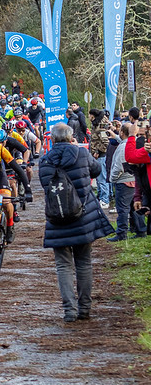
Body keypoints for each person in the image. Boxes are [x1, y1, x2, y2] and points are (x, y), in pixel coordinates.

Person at [39, 123, 113, 322]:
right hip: (83, 217)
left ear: (52, 140)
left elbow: (45, 184)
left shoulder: (45, 160)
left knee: (63, 265)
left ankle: (69, 311)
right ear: (71, 138)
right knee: (84, 262)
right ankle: (85, 309)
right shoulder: (81, 154)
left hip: (57, 217)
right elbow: (96, 171)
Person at [108, 123, 139, 242]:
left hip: (123, 181)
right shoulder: (136, 142)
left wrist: (112, 179)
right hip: (134, 180)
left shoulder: (123, 147)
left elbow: (119, 165)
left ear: (122, 132)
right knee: (135, 207)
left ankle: (121, 233)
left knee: (122, 209)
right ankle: (139, 229)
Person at [89, 108, 112, 208]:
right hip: (97, 155)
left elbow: (105, 141)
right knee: (100, 178)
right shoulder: (96, 124)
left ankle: (105, 200)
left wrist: (98, 151)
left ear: (93, 115)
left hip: (101, 155)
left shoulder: (101, 126)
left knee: (102, 178)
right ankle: (102, 197)